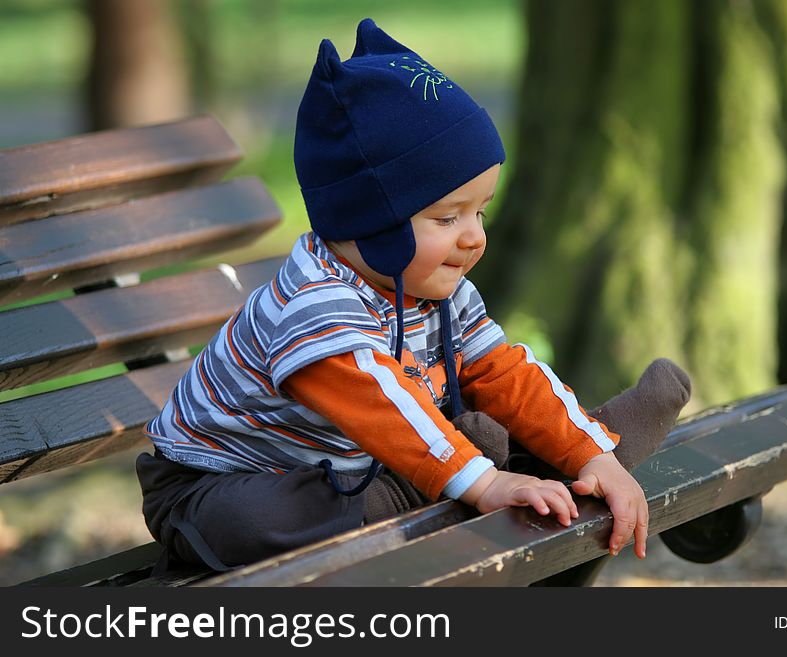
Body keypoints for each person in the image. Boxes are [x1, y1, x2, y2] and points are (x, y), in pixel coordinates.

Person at [135, 18, 692, 573]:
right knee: (257, 519)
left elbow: (504, 371)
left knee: (481, 429)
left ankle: (595, 451)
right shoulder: (313, 307)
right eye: (448, 217)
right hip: (217, 486)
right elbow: (384, 406)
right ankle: (455, 487)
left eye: (480, 211)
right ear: (370, 223)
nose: (474, 236)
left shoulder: (439, 290)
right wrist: (487, 482)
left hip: (356, 463)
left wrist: (588, 452)